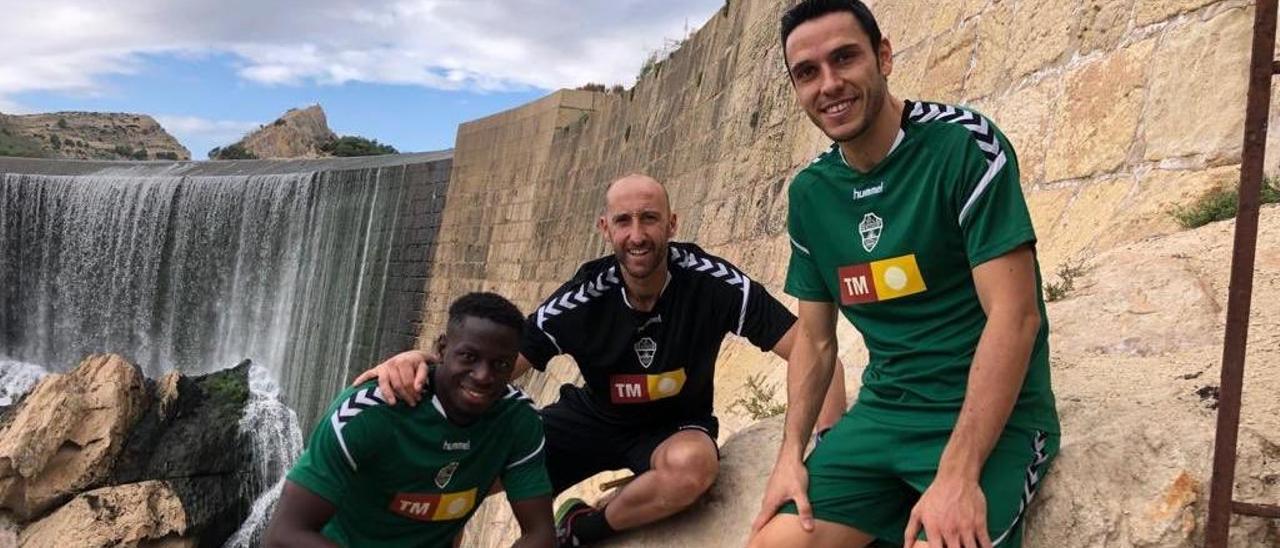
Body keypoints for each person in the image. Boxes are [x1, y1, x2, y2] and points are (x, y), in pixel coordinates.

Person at [355, 174, 849, 547]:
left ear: (672, 224)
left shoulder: (712, 282)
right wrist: (422, 359)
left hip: (675, 428)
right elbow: (497, 361)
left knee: (693, 469)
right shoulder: (583, 297)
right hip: (590, 420)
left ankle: (580, 528)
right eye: (624, 221)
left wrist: (818, 453)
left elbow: (814, 348)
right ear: (606, 229)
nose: (638, 235)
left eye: (650, 219)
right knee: (464, 473)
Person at [749, 1, 1060, 547]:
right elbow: (817, 344)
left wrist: (959, 475)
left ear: (884, 56)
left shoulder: (964, 146)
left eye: (844, 58)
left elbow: (1015, 317)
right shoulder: (811, 195)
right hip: (883, 419)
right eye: (807, 72)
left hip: (992, 425)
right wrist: (789, 458)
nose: (829, 84)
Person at [264, 292, 554, 548]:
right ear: (441, 349)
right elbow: (282, 535)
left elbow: (540, 533)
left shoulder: (518, 420)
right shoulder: (368, 414)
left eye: (501, 364)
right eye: (468, 356)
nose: (483, 376)